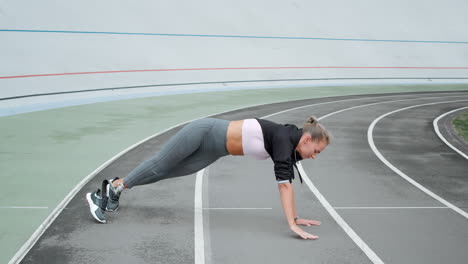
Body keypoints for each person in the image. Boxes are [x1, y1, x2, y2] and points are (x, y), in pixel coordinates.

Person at [86, 116, 331, 239]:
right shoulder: (283, 139)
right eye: (316, 151)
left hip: (214, 150)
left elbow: (288, 178)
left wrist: (296, 217)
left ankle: (115, 188)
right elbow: (285, 186)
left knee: (164, 173)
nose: (314, 157)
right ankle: (109, 191)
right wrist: (291, 224)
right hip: (204, 132)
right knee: (160, 165)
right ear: (307, 139)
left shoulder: (290, 143)